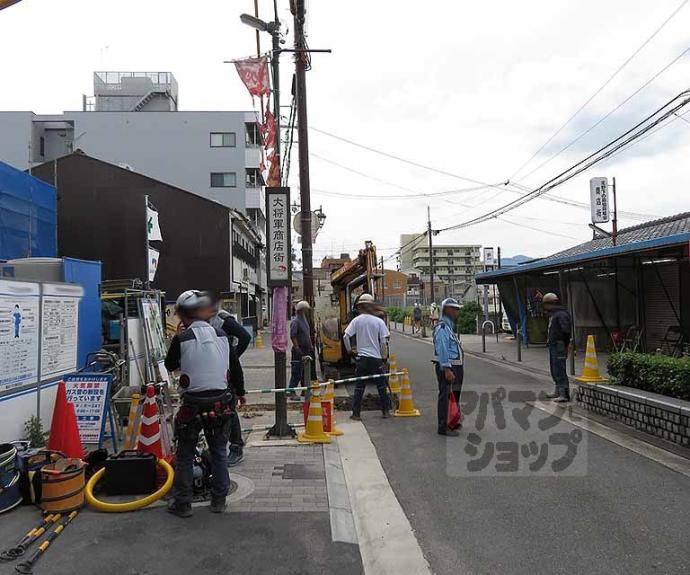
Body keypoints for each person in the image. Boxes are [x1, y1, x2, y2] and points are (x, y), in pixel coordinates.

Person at [165, 290, 234, 517]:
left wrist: (178, 339)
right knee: (218, 452)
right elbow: (234, 366)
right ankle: (219, 500)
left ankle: (183, 503)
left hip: (192, 403)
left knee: (184, 453)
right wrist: (240, 392)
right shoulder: (222, 334)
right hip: (220, 402)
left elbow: (169, 364)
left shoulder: (182, 338)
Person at [209, 308, 250, 466]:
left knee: (229, 408)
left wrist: (232, 355)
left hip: (226, 371)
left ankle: (236, 447)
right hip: (211, 369)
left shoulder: (221, 318)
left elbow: (245, 337)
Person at [343, 293, 391, 420]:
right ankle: (385, 411)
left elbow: (345, 336)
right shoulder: (379, 321)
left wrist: (350, 351)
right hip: (376, 359)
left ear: (360, 307)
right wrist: (383, 357)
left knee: (359, 387)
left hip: (362, 358)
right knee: (381, 386)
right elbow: (383, 342)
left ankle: (356, 413)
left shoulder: (356, 320)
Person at [432, 298, 464, 436]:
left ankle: (453, 421)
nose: (457, 312)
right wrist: (446, 368)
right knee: (445, 396)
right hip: (448, 367)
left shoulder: (449, 326)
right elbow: (442, 348)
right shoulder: (442, 328)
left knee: (454, 395)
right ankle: (443, 426)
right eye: (455, 309)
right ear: (448, 310)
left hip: (455, 366)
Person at [542, 292, 572, 403]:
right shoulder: (554, 314)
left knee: (559, 369)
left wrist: (565, 344)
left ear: (550, 304)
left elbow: (566, 331)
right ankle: (558, 391)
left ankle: (564, 394)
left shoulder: (561, 314)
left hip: (559, 344)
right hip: (554, 344)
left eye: (545, 304)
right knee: (554, 369)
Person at [289, 300, 313, 399]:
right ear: (301, 310)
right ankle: (291, 391)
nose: (307, 312)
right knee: (297, 372)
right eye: (305, 310)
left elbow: (307, 334)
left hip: (306, 349)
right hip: (298, 350)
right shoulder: (296, 321)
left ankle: (305, 390)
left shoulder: (304, 320)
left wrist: (310, 345)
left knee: (305, 372)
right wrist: (297, 347)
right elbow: (293, 335)